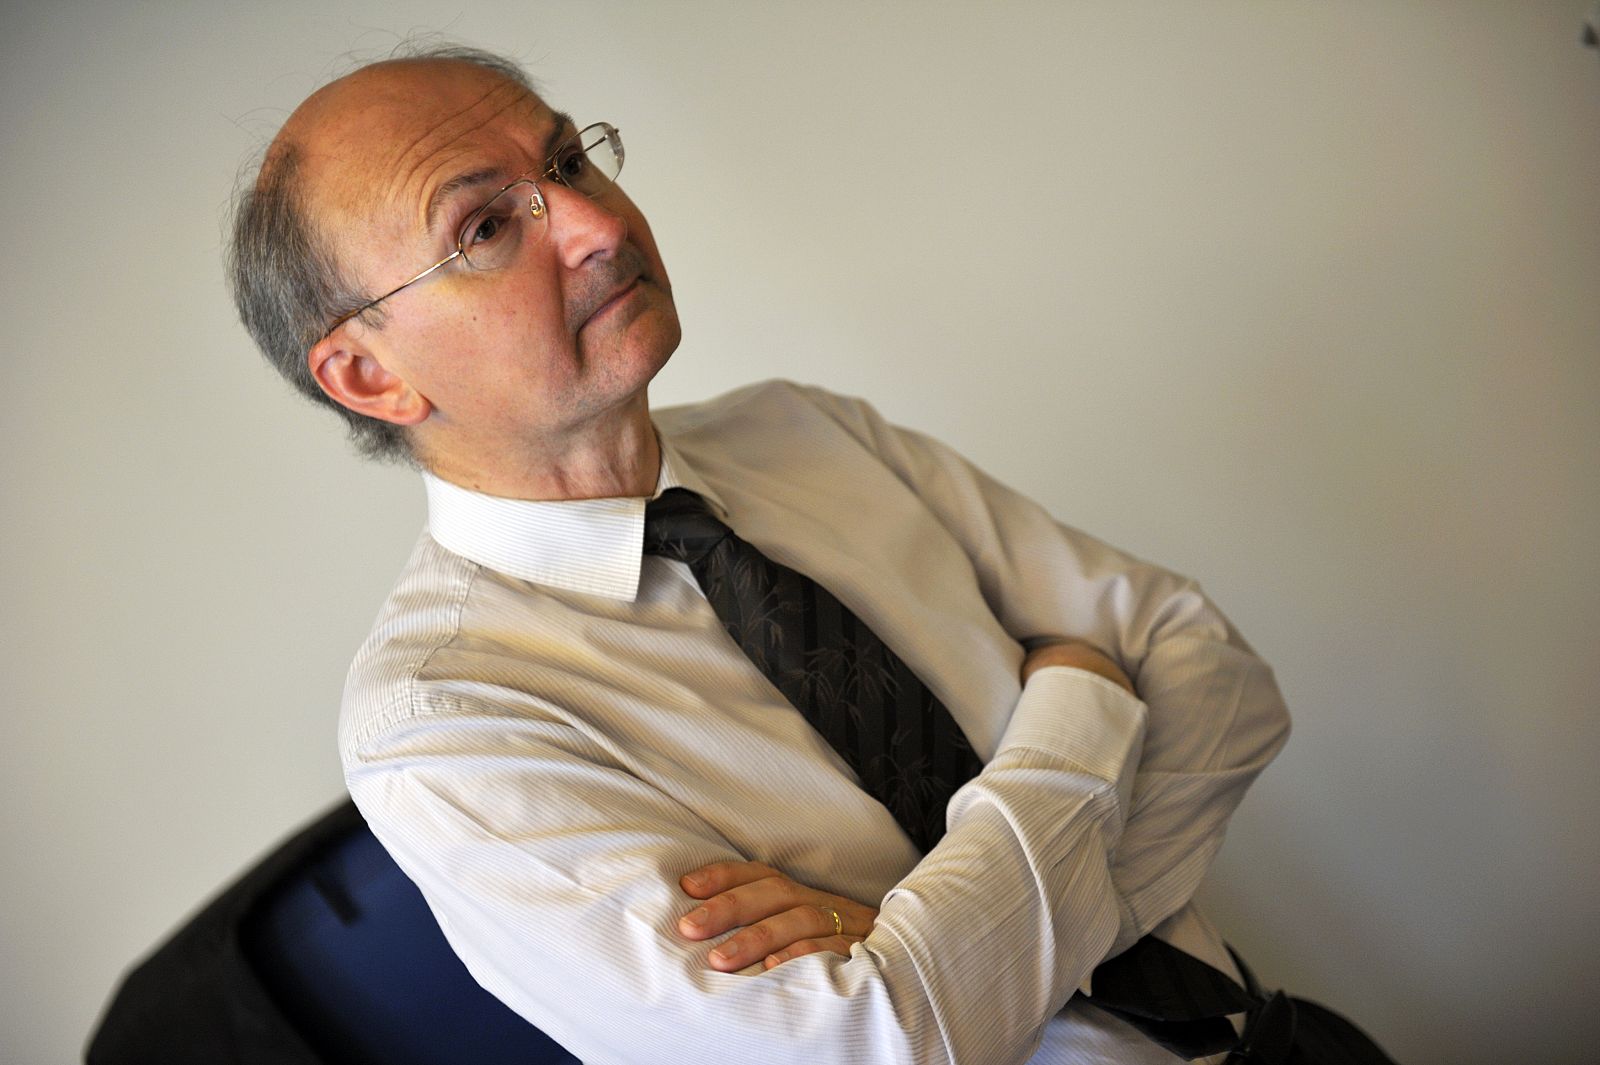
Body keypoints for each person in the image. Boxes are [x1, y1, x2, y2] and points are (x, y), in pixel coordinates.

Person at [229, 45, 1299, 1065]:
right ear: (372, 377)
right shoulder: (440, 727)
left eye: (566, 162)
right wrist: (1083, 694)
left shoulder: (806, 431)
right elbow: (873, 1041)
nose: (600, 222)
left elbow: (1219, 675)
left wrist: (934, 946)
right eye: (484, 227)